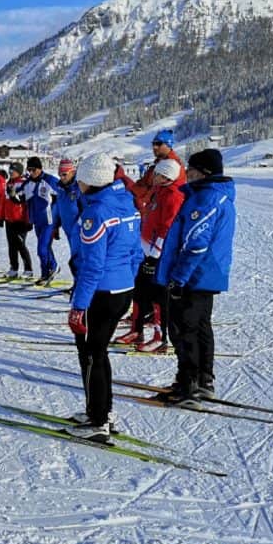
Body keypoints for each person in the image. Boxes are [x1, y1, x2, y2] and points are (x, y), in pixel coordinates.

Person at [65, 153, 142, 442]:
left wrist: (78, 306)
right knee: (98, 353)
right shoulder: (126, 204)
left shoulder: (95, 213)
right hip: (121, 289)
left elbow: (92, 266)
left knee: (91, 354)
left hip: (100, 293)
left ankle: (98, 421)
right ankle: (101, 411)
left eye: (81, 177)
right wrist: (127, 281)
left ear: (91, 180)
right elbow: (136, 253)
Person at [156, 148, 236, 407]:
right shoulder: (211, 195)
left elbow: (196, 245)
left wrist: (178, 278)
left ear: (203, 173)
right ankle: (202, 379)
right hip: (207, 274)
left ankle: (188, 384)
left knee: (183, 329)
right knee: (200, 327)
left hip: (195, 276)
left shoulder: (205, 199)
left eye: (190, 169)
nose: (186, 173)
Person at [115, 158, 185, 352]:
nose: (152, 177)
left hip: (158, 254)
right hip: (145, 249)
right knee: (140, 292)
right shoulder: (158, 192)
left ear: (165, 176)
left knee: (157, 295)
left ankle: (160, 337)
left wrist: (155, 255)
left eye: (156, 174)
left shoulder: (173, 195)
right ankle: (136, 330)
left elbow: (167, 228)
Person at [117, 129, 186, 213]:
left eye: (158, 144)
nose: (154, 147)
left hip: (159, 212)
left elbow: (155, 192)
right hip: (147, 210)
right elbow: (141, 186)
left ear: (169, 145)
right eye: (153, 144)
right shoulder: (157, 165)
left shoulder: (172, 168)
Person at [22, 156, 60, 285]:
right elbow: (19, 195)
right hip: (37, 221)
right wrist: (12, 194)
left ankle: (47, 272)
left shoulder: (50, 180)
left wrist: (58, 219)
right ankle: (51, 268)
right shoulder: (28, 183)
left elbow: (62, 196)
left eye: (33, 170)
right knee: (45, 247)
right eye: (29, 170)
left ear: (39, 169)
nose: (31, 173)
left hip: (49, 221)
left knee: (42, 249)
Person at [0, 162, 34, 279]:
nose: (10, 173)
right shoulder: (9, 183)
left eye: (13, 171)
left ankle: (28, 269)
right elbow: (5, 201)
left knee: (20, 245)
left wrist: (29, 220)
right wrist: (2, 216)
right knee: (11, 246)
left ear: (19, 171)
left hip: (21, 220)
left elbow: (26, 202)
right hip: (9, 219)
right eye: (9, 171)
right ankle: (13, 268)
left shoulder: (24, 183)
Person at [53, 157, 82, 280]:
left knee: (79, 259)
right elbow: (58, 208)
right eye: (60, 174)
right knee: (75, 258)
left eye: (64, 174)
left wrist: (79, 227)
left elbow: (86, 209)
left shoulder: (79, 186)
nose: (62, 177)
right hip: (67, 228)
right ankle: (77, 282)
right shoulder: (60, 188)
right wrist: (55, 225)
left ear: (72, 172)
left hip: (80, 230)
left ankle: (81, 285)